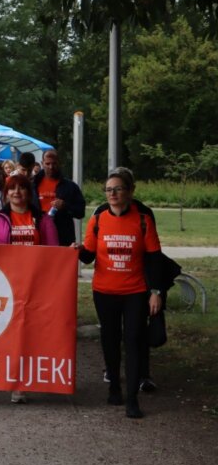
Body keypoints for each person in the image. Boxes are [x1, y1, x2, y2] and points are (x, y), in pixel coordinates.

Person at [79, 167, 163, 419]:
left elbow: (154, 259)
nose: (112, 194)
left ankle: (132, 400)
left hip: (135, 291)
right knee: (110, 339)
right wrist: (75, 249)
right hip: (104, 291)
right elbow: (88, 256)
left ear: (130, 191)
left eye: (118, 189)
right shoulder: (98, 219)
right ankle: (114, 387)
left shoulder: (142, 219)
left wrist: (155, 291)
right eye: (108, 190)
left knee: (134, 340)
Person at [0, 173, 60, 404]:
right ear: (6, 194)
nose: (17, 193)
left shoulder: (43, 219)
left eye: (22, 188)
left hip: (34, 286)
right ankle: (8, 378)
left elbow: (54, 253)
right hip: (6, 286)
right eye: (12, 188)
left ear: (29, 192)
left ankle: (22, 382)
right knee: (8, 334)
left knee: (29, 334)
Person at [32, 149, 86, 247]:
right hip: (37, 235)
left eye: (54, 163)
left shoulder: (70, 186)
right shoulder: (33, 184)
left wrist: (65, 206)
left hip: (62, 237)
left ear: (60, 163)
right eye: (47, 164)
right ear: (42, 163)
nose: (51, 167)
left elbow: (80, 212)